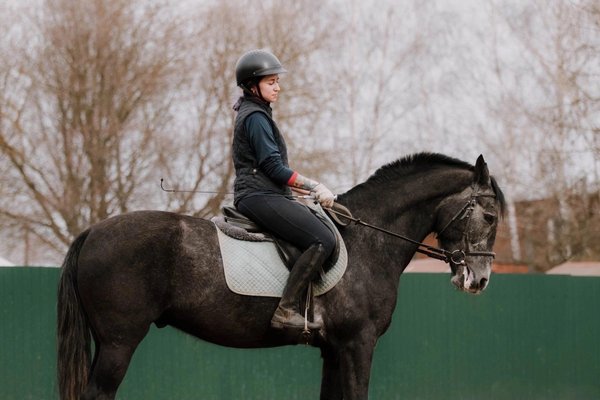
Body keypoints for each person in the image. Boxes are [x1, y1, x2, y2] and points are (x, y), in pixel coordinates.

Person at [232, 49, 336, 331]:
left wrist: (297, 193)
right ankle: (286, 310)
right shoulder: (255, 117)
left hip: (264, 193)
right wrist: (314, 186)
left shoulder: (255, 113)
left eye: (277, 81)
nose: (278, 87)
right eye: (271, 82)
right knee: (322, 240)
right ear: (252, 86)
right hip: (258, 196)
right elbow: (274, 168)